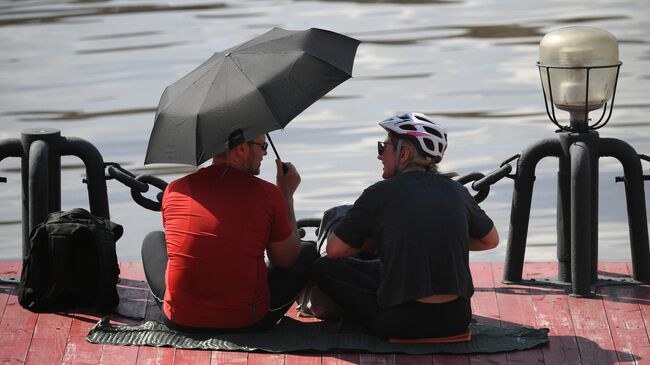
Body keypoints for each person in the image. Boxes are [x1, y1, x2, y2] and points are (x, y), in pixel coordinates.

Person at [311, 112, 499, 339]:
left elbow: (334, 250)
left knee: (322, 268)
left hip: (401, 323)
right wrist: (441, 236)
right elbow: (491, 240)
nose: (380, 156)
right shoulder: (458, 191)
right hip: (457, 320)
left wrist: (379, 237)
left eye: (384, 147)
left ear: (404, 154)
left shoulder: (379, 193)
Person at [142, 130, 318, 333]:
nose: (266, 154)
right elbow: (285, 260)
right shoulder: (269, 194)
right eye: (263, 147)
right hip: (248, 321)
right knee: (306, 252)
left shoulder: (174, 189)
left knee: (153, 239)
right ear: (241, 149)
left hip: (180, 319)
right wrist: (286, 195)